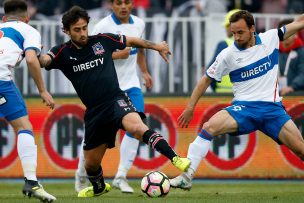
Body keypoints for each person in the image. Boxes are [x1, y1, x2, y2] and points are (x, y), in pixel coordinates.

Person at [38, 6, 190, 198]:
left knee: (137, 128)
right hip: (94, 112)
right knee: (90, 164)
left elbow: (131, 40)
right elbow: (45, 61)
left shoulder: (102, 40)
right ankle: (100, 187)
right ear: (66, 31)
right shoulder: (62, 52)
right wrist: (36, 55)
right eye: (77, 30)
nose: (83, 33)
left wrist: (156, 46)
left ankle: (176, 159)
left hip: (115, 100)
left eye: (85, 28)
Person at [170, 10, 304, 190]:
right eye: (233, 33)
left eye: (240, 32)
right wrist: (190, 107)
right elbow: (205, 79)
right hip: (245, 108)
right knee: (209, 127)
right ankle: (187, 176)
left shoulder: (271, 38)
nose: (236, 37)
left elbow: (298, 23)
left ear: (252, 29)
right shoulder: (228, 54)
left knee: (301, 150)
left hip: (273, 110)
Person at [75, 0, 153, 193]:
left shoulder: (140, 23)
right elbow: (90, 56)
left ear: (132, 4)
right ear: (112, 5)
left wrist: (144, 72)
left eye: (127, 2)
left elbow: (140, 49)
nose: (123, 6)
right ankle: (81, 173)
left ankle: (121, 175)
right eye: (118, 3)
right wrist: (118, 55)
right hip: (107, 89)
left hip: (131, 85)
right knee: (93, 137)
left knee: (138, 127)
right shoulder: (102, 27)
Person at [0, 0, 56, 202]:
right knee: (24, 127)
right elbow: (33, 59)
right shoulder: (28, 30)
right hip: (1, 82)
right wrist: (42, 90)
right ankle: (32, 182)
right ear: (27, 18)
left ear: (4, 18)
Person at [208, 9, 239, 93]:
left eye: (226, 26)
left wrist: (215, 89)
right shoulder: (253, 45)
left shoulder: (224, 44)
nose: (225, 29)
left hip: (223, 93)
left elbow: (211, 72)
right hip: (245, 95)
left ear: (231, 26)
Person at [278, 18, 304, 96]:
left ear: (295, 33)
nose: (287, 35)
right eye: (284, 33)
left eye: (289, 32)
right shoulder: (274, 50)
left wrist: (292, 87)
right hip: (277, 93)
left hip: (296, 92)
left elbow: (303, 73)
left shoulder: (301, 51)